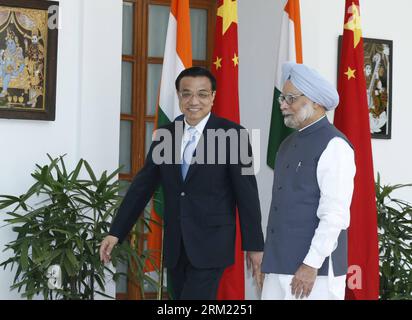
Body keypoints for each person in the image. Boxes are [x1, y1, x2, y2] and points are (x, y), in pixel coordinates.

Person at [100, 66, 264, 300]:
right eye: (186, 94)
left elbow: (247, 194)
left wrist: (255, 245)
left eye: (202, 94)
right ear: (178, 96)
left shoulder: (235, 135)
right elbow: (142, 187)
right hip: (176, 246)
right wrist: (116, 232)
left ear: (213, 96)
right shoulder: (166, 135)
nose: (193, 101)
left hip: (211, 246)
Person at [261, 62, 356, 300]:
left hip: (314, 272)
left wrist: (311, 264)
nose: (283, 104)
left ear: (315, 101)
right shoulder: (286, 145)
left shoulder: (335, 145)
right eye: (282, 98)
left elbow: (335, 215)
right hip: (278, 266)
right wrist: (269, 264)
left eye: (290, 98)